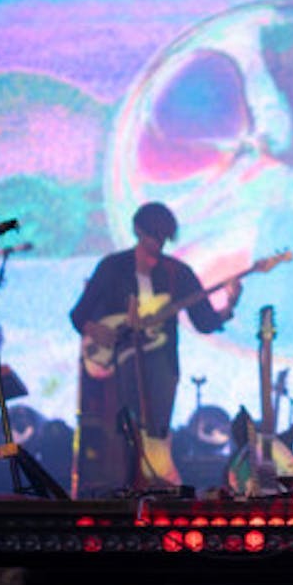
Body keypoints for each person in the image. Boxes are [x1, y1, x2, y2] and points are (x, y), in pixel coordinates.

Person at [69, 202, 241, 494]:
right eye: (152, 236)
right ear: (139, 231)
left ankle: (157, 481)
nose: (157, 244)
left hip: (161, 363)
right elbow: (79, 315)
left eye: (162, 239)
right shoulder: (112, 267)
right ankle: (128, 483)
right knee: (124, 429)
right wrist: (97, 331)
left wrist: (231, 303)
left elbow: (205, 321)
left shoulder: (178, 273)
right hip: (118, 359)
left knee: (157, 426)